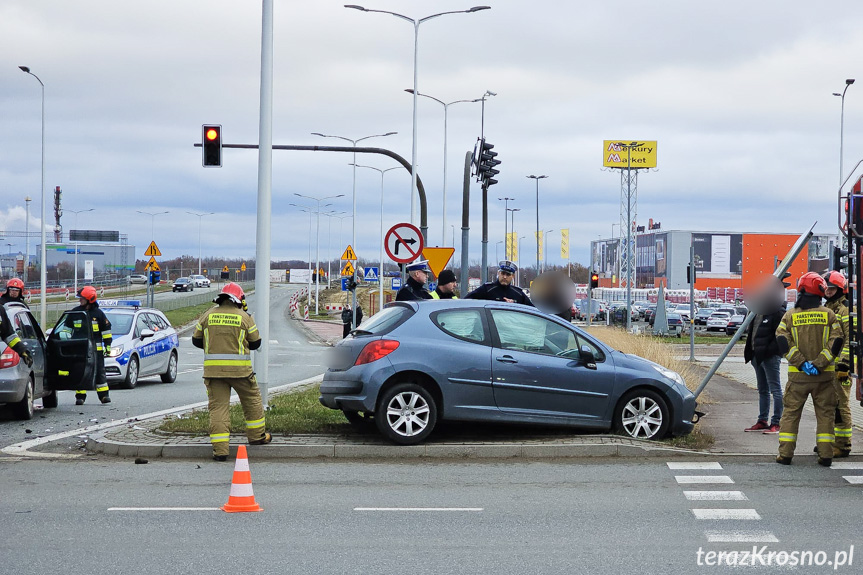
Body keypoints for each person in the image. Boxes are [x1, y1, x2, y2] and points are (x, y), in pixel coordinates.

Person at [192, 282, 271, 462]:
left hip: (214, 373)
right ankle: (257, 437)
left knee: (218, 408)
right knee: (252, 401)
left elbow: (196, 341)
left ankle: (220, 451)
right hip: (241, 372)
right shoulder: (244, 317)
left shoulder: (207, 315)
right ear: (239, 299)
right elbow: (256, 343)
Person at [775, 272, 843, 467]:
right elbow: (837, 340)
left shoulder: (790, 315)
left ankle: (785, 454)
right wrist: (819, 363)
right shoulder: (828, 314)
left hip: (798, 377)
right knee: (825, 415)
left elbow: (782, 340)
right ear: (820, 292)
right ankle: (826, 455)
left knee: (790, 414)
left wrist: (802, 363)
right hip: (824, 377)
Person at [822, 270, 853, 458]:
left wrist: (844, 365)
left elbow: (850, 340)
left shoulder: (845, 311)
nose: (828, 292)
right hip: (829, 366)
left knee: (841, 407)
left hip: (841, 368)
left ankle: (843, 445)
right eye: (826, 289)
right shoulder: (829, 309)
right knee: (829, 406)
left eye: (832, 289)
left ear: (840, 289)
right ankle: (831, 442)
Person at [742, 301, 785, 434]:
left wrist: (770, 351)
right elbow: (749, 331)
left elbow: (782, 335)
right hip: (756, 355)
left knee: (775, 389)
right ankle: (762, 420)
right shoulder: (756, 310)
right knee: (762, 390)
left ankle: (777, 422)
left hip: (770, 356)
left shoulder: (778, 311)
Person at [72, 286, 112, 405]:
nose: (80, 300)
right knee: (81, 371)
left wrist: (108, 346)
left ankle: (104, 396)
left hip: (96, 350)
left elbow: (106, 330)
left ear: (89, 299)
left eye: (82, 298)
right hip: (81, 349)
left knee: (100, 372)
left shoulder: (98, 314)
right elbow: (67, 328)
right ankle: (80, 397)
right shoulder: (76, 312)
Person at [465, 260, 534, 306]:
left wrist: (514, 304)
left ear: (513, 276)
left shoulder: (518, 294)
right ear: (498, 273)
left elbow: (532, 310)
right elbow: (467, 301)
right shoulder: (487, 289)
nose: (504, 277)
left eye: (508, 274)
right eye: (503, 273)